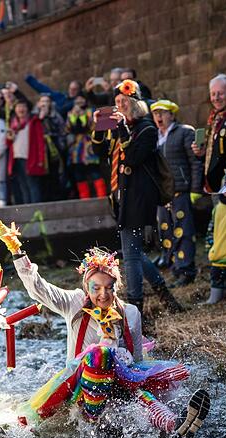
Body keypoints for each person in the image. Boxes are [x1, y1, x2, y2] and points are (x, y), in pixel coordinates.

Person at [0, 222, 209, 435]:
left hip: (117, 383)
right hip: (80, 388)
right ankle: (92, 422)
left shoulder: (130, 312)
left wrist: (134, 378)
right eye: (96, 288)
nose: (103, 294)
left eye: (109, 287)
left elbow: (137, 360)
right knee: (100, 354)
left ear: (117, 286)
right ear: (86, 289)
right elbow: (38, 288)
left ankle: (174, 424)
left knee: (137, 389)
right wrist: (16, 250)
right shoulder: (74, 303)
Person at [91, 80, 182, 313]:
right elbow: (99, 152)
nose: (120, 106)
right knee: (134, 252)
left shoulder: (147, 129)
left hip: (140, 197)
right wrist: (98, 128)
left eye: (125, 102)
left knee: (130, 255)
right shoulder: (118, 127)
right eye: (117, 102)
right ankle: (167, 298)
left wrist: (122, 128)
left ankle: (134, 307)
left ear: (135, 103)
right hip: (121, 196)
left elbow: (132, 157)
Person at [151, 99, 202, 287]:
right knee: (166, 232)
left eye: (162, 113)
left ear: (171, 114)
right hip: (162, 195)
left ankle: (186, 269)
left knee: (184, 232)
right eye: (155, 113)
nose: (158, 117)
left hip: (181, 191)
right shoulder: (154, 136)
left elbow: (195, 162)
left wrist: (195, 190)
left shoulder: (184, 132)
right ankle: (173, 267)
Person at [192, 74, 226, 193]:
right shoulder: (215, 117)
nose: (216, 98)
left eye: (220, 93)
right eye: (213, 94)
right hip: (214, 185)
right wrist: (201, 153)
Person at [65, 94, 105, 199]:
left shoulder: (91, 111)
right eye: (77, 101)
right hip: (76, 149)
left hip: (89, 147)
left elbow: (91, 126)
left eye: (81, 100)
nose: (79, 102)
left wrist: (83, 116)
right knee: (79, 175)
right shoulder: (70, 113)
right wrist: (74, 116)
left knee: (95, 171)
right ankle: (85, 199)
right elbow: (68, 128)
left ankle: (102, 197)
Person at [6, 100, 44, 204]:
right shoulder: (13, 124)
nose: (21, 109)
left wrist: (41, 159)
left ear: (27, 109)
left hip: (30, 158)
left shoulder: (34, 121)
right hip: (16, 159)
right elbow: (8, 144)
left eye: (23, 106)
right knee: (23, 186)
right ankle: (27, 208)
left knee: (32, 184)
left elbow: (40, 142)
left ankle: (36, 209)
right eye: (18, 107)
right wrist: (9, 138)